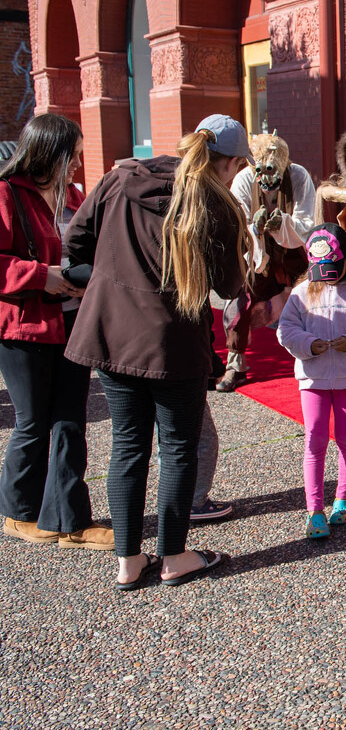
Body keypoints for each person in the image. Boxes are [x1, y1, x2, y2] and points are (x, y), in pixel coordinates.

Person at [64, 115, 251, 590]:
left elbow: (75, 244)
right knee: (177, 448)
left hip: (112, 333)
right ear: (229, 163)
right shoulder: (216, 204)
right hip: (174, 343)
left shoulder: (121, 177)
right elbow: (229, 285)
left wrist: (113, 278)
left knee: (127, 446)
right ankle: (174, 557)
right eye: (238, 166)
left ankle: (129, 562)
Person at [0, 113, 112, 550]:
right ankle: (18, 513)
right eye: (73, 155)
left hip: (71, 321)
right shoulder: (7, 193)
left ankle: (69, 520)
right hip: (24, 327)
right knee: (33, 422)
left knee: (70, 422)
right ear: (49, 153)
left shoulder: (74, 196)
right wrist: (39, 275)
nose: (79, 164)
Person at [276, 223, 346, 539]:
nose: (327, 277)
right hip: (313, 378)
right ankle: (314, 510)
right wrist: (307, 344)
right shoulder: (301, 292)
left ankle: (343, 497)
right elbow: (286, 330)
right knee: (314, 438)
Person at [217, 133, 319, 392]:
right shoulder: (243, 179)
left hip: (293, 255)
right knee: (240, 300)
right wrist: (256, 228)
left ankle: (314, 355)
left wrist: (282, 223)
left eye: (271, 170)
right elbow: (238, 223)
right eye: (259, 170)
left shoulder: (298, 176)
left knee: (311, 300)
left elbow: (306, 223)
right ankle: (235, 364)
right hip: (256, 255)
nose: (265, 179)